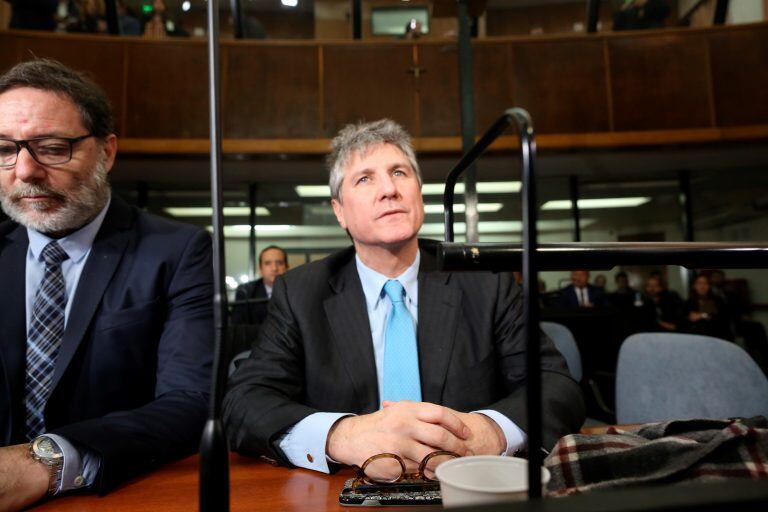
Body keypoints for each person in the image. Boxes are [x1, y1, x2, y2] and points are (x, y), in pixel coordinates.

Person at [223, 119, 584, 476]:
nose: (389, 190)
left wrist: (488, 432)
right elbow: (244, 402)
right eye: (365, 178)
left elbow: (556, 386)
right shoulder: (302, 292)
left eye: (399, 173)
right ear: (340, 212)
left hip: (467, 485)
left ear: (419, 193)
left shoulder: (485, 283)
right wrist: (342, 435)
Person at [0, 59, 212, 510]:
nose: (24, 171)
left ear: (107, 152)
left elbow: (191, 401)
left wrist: (46, 462)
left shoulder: (177, 251)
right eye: (3, 149)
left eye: (52, 148)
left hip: (116, 492)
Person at [231, 245, 289, 326]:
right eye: (268, 263)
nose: (274, 268)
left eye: (279, 263)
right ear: (260, 269)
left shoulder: (297, 292)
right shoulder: (245, 292)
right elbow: (238, 328)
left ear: (287, 267)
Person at [684, 274, 732, 340]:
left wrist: (702, 315)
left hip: (715, 333)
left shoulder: (716, 300)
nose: (702, 286)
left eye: (705, 283)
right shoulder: (689, 302)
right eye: (699, 283)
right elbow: (687, 318)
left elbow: (719, 318)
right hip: (695, 334)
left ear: (709, 286)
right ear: (694, 286)